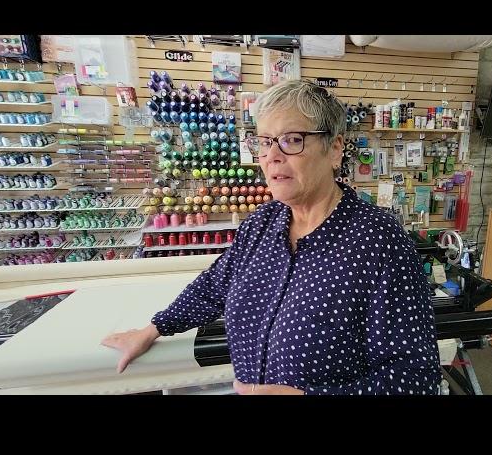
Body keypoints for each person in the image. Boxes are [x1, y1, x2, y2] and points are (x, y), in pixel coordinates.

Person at [102, 80, 441, 395]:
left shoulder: (378, 241)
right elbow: (213, 286)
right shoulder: (262, 224)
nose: (272, 155)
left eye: (292, 139)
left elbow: (416, 375)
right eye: (265, 141)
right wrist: (152, 330)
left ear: (335, 149)